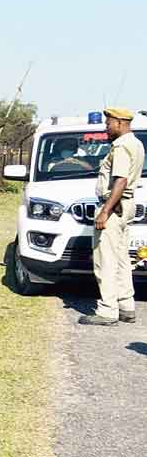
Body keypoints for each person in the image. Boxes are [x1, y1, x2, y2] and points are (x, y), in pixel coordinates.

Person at [79, 108, 145, 326]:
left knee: (105, 259)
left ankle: (108, 310)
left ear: (120, 123)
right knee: (121, 258)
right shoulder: (135, 143)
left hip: (114, 206)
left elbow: (120, 181)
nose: (106, 128)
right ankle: (126, 305)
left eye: (109, 124)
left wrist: (105, 211)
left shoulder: (122, 146)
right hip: (125, 206)